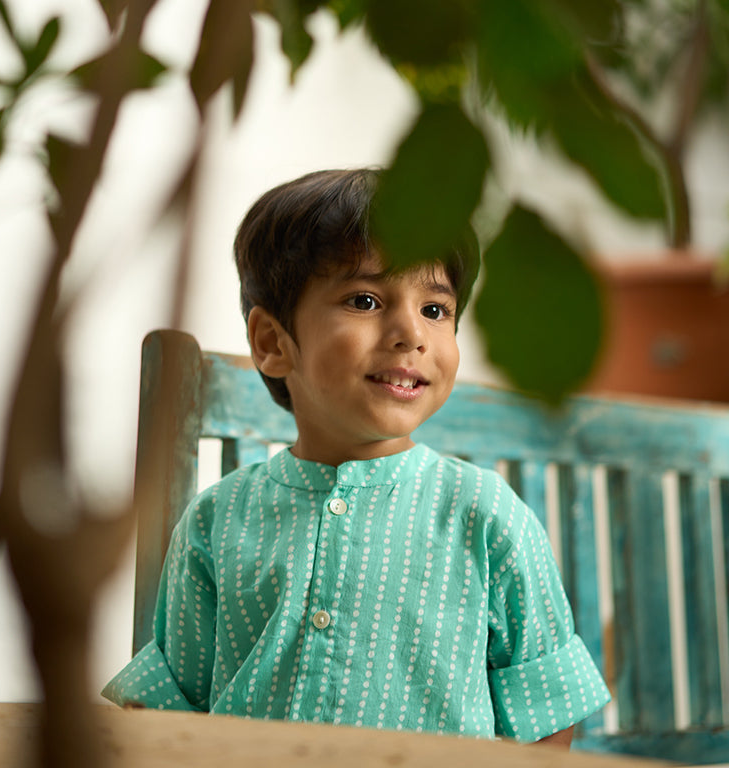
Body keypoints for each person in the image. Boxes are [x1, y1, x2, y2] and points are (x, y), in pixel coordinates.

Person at [103, 168, 610, 745]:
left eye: (435, 310)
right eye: (365, 300)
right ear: (272, 342)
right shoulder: (216, 522)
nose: (411, 334)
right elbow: (168, 710)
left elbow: (547, 713)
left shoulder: (485, 515)